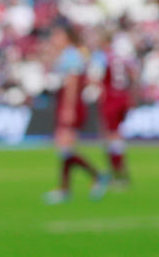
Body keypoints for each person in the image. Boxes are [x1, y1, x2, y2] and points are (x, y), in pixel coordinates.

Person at [42, 22, 108, 204]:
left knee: (64, 145)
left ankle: (92, 177)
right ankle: (69, 187)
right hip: (66, 101)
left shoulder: (71, 56)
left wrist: (68, 108)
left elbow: (72, 84)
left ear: (67, 38)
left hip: (70, 103)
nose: (54, 39)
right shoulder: (69, 55)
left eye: (58, 36)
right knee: (66, 148)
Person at [92, 26, 138, 188]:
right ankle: (121, 173)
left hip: (110, 99)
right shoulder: (121, 57)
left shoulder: (102, 57)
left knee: (109, 137)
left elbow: (95, 78)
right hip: (123, 98)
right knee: (117, 136)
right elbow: (133, 73)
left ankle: (117, 174)